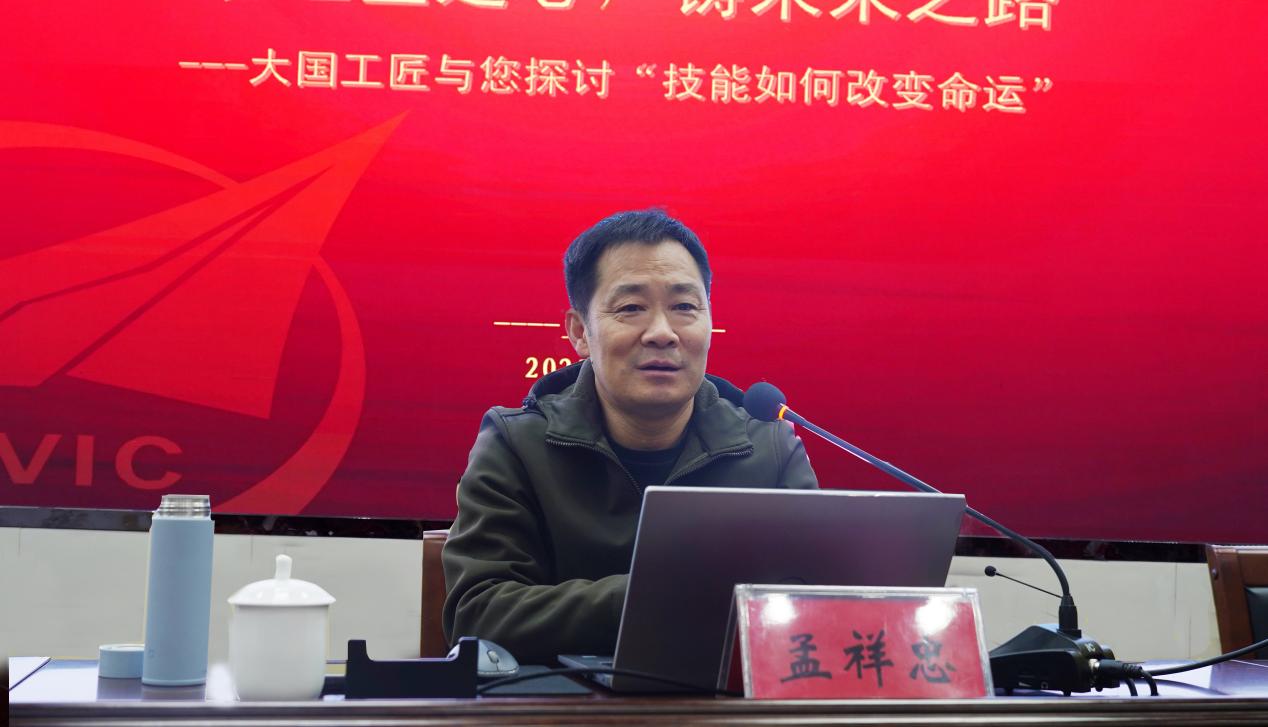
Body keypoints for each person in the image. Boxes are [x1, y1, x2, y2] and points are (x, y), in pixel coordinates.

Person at [442, 209, 818, 664]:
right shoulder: (517, 444)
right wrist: (665, 593)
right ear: (580, 332)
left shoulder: (770, 449)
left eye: (684, 307)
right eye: (631, 308)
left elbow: (819, 608)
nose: (662, 333)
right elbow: (479, 614)